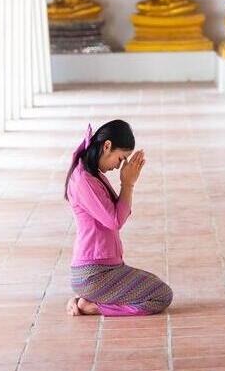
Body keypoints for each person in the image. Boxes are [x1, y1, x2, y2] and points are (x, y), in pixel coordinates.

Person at [63, 120, 173, 316]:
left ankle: (88, 298)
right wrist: (128, 184)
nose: (119, 165)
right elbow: (115, 220)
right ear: (107, 146)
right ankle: (93, 305)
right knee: (161, 296)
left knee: (154, 284)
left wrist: (127, 184)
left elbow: (119, 213)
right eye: (121, 158)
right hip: (94, 273)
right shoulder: (84, 180)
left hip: (105, 268)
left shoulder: (93, 175)